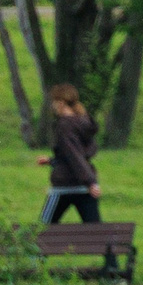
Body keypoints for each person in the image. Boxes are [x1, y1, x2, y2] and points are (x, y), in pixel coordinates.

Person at [37, 82, 103, 224]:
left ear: (60, 103)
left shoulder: (64, 125)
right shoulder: (83, 123)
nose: (52, 106)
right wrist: (52, 161)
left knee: (40, 231)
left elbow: (74, 155)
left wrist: (91, 182)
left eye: (53, 102)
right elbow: (82, 153)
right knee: (96, 233)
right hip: (83, 189)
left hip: (65, 185)